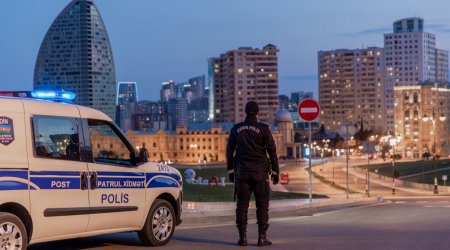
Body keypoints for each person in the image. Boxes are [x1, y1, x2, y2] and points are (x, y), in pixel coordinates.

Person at [226, 101, 279, 247]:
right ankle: (262, 238)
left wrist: (230, 170)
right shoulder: (264, 129)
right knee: (262, 206)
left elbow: (229, 151)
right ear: (257, 113)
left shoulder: (236, 129)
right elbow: (272, 151)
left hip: (242, 173)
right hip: (260, 173)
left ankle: (242, 238)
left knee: (242, 205)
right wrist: (275, 171)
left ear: (245, 112)